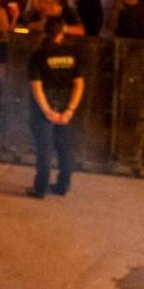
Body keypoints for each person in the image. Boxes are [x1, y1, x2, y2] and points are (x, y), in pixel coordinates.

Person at [26, 17, 84, 198]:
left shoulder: (38, 54)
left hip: (45, 104)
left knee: (44, 148)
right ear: (63, 31)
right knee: (64, 147)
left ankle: (40, 188)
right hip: (65, 101)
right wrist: (70, 110)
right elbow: (79, 84)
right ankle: (62, 185)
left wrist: (46, 110)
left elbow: (36, 88)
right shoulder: (73, 53)